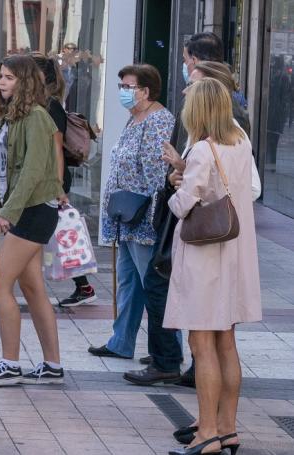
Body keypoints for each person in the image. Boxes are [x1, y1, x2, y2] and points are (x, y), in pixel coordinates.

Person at [165, 78, 262, 455]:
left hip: (206, 256)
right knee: (226, 342)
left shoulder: (203, 149)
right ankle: (227, 428)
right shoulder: (240, 144)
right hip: (237, 253)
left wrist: (177, 184)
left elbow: (185, 203)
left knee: (200, 342)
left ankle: (206, 433)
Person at [0, 55, 65, 386]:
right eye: (1, 76)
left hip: (34, 209)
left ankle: (10, 364)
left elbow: (30, 172)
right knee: (31, 286)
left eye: (10, 77)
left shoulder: (38, 118)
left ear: (25, 81)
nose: (2, 82)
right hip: (21, 208)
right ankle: (52, 365)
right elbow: (3, 171)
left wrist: (8, 214)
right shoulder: (12, 116)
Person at [88, 64, 175, 362]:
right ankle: (121, 340)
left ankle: (167, 348)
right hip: (126, 216)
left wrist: (154, 219)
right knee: (129, 281)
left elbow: (156, 174)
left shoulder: (158, 121)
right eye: (121, 86)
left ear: (145, 91)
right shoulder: (135, 119)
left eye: (128, 87)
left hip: (144, 218)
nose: (123, 92)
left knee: (152, 284)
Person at [30, 52, 98, 308]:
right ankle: (82, 285)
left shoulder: (51, 106)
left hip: (52, 180)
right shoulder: (39, 104)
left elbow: (56, 149)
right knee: (53, 234)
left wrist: (58, 187)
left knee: (52, 234)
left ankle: (83, 285)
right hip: (45, 180)